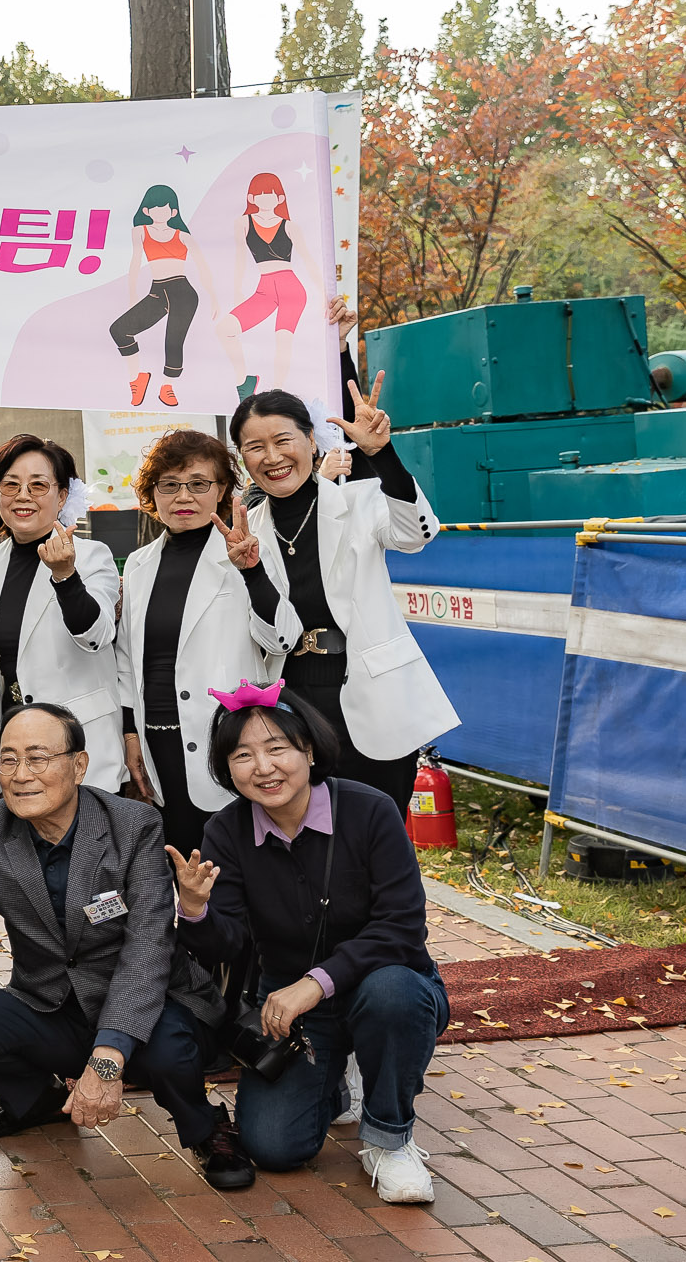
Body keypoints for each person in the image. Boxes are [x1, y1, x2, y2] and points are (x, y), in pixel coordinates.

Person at [0, 704, 250, 1190]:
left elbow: (147, 949)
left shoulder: (132, 824)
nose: (21, 775)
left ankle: (206, 1128)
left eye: (38, 758)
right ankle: (35, 1103)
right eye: (8, 760)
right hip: (54, 1002)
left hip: (151, 1002)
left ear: (78, 765)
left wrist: (107, 1058)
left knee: (168, 1052)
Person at [170, 682, 448, 1203]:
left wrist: (315, 984)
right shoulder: (225, 832)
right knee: (273, 1148)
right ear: (226, 769)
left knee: (394, 995)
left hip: (381, 979)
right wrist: (194, 909)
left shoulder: (371, 811)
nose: (264, 767)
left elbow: (402, 928)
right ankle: (332, 1077)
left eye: (278, 749)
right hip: (290, 1006)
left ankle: (390, 1139)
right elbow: (224, 944)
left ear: (310, 750)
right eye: (243, 755)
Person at [231, 381, 456, 822]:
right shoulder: (246, 529)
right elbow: (273, 635)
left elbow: (415, 535)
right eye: (255, 447)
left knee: (378, 831)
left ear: (311, 440)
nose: (272, 457)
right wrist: (251, 570)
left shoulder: (359, 499)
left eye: (283, 440)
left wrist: (382, 454)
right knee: (304, 833)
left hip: (373, 693)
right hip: (291, 705)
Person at [116, 431, 300, 855]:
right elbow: (126, 661)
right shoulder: (141, 564)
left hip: (227, 738)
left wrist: (252, 572)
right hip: (158, 740)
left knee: (236, 869)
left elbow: (281, 639)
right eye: (170, 484)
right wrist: (131, 736)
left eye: (200, 484)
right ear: (152, 493)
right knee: (182, 862)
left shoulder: (249, 551)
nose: (185, 496)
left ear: (221, 491)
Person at [0, 434, 124, 798]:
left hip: (77, 743)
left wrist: (66, 576)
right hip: (14, 743)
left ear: (62, 496)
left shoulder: (91, 555)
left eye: (38, 485)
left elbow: (96, 635)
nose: (23, 496)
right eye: (11, 484)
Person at [108, 183, 238, 407]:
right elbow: (135, 263)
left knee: (173, 343)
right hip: (156, 290)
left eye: (165, 208)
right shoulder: (140, 232)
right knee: (119, 330)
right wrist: (131, 294)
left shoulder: (184, 236)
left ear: (173, 212)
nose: (159, 212)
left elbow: (202, 267)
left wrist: (214, 297)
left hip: (183, 293)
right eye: (154, 208)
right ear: (146, 211)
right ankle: (136, 379)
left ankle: (167, 387)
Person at [222, 171, 313, 398]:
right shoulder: (243, 223)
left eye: (269, 194)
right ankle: (245, 381)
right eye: (258, 194)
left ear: (279, 198)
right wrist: (236, 292)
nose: (264, 198)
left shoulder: (290, 226)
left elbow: (309, 260)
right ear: (251, 198)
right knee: (225, 329)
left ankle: (278, 392)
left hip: (291, 288)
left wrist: (325, 294)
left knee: (282, 340)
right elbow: (240, 260)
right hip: (264, 289)